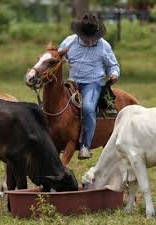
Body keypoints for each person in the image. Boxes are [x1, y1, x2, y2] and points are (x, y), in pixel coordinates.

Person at [59, 13, 120, 160]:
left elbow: (113, 65)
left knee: (87, 108)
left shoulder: (104, 45)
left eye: (93, 36)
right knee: (54, 105)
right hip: (72, 82)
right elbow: (58, 57)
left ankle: (85, 145)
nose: (91, 40)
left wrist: (114, 74)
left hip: (92, 83)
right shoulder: (69, 42)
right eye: (88, 36)